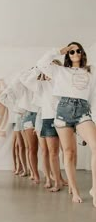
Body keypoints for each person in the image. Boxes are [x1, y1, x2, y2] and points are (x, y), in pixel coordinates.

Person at [37, 42, 96, 207]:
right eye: (71, 51)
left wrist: (91, 116)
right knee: (69, 153)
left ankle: (95, 189)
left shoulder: (90, 71)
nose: (75, 53)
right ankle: (75, 190)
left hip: (83, 111)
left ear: (82, 53)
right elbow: (41, 63)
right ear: (67, 55)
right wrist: (59, 50)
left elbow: (92, 95)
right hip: (63, 111)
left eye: (78, 50)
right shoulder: (59, 71)